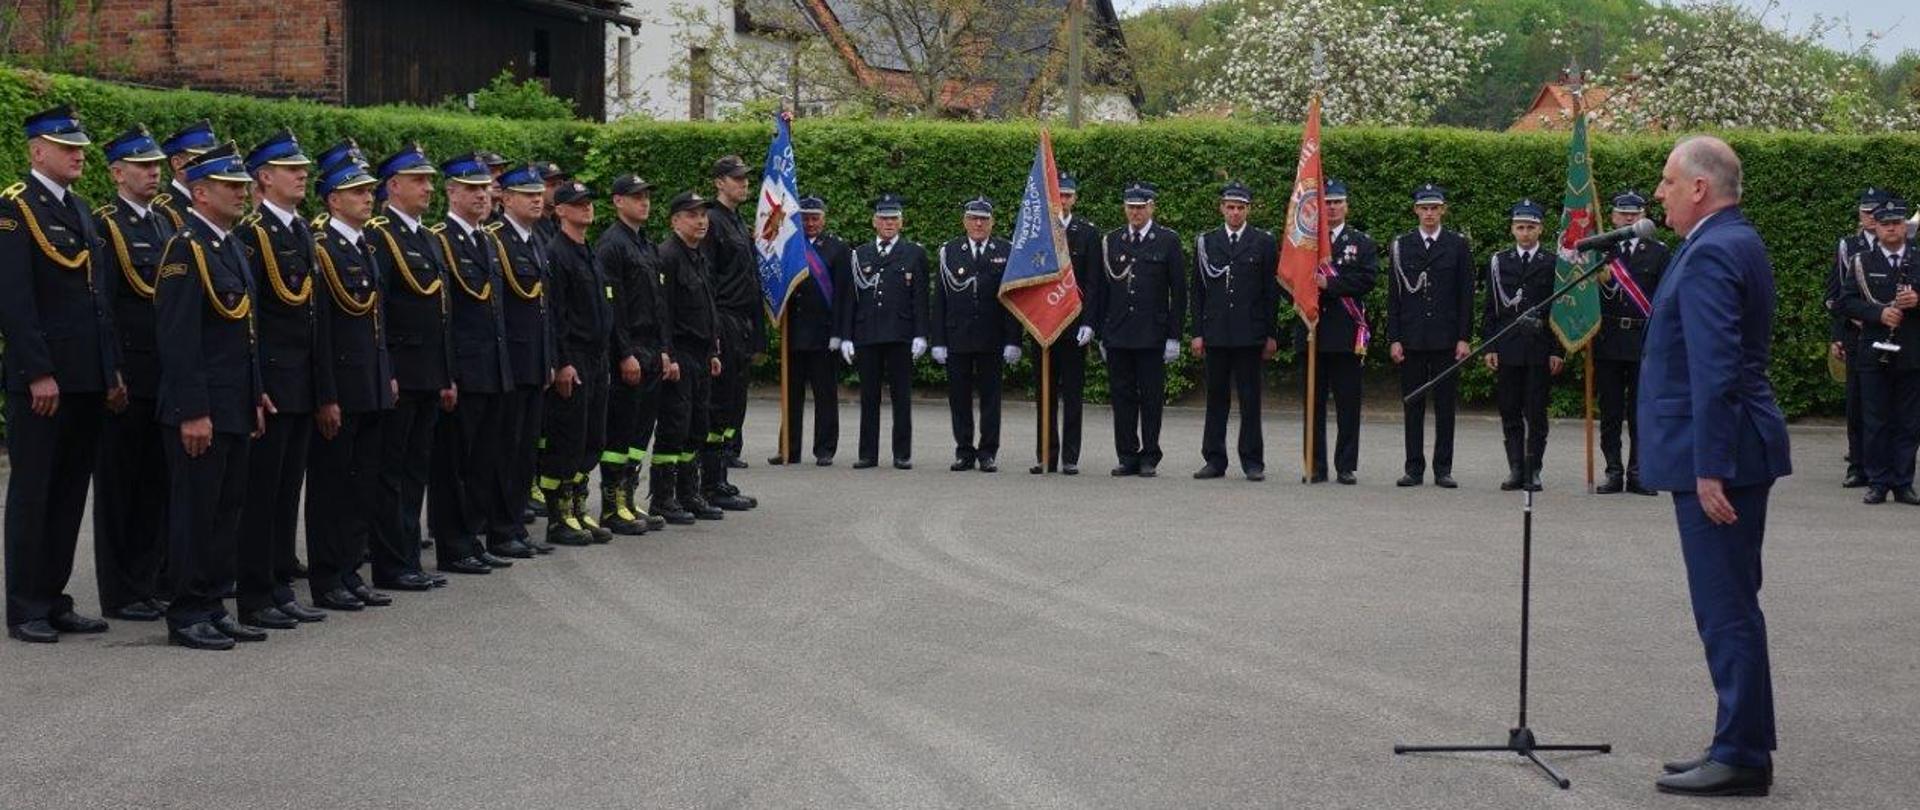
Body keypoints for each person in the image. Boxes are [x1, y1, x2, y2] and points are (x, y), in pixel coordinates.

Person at [1642, 135, 1792, 797]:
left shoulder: (1711, 253)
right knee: (1734, 605)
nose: (1659, 194)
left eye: (1668, 182)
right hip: (1737, 446)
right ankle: (1741, 740)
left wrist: (1711, 468)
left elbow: (1716, 369)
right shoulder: (1734, 240)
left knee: (1726, 608)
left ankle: (1742, 754)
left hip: (1723, 456)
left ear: (1699, 188)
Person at [1, 105, 123, 644]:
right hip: (45, 382)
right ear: (37, 152)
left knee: (71, 492)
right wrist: (37, 372)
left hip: (87, 377)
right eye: (66, 146)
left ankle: (54, 597)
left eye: (80, 147)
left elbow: (99, 302)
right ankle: (25, 603)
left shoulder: (79, 210)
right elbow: (14, 300)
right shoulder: (14, 209)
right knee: (34, 491)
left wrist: (110, 369)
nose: (78, 154)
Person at [152, 142, 267, 650]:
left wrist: (255, 395)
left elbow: (245, 334)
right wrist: (193, 410)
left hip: (234, 404)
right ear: (199, 192)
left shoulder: (232, 247)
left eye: (243, 184)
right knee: (196, 513)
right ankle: (187, 612)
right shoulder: (186, 249)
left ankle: (215, 603)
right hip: (200, 410)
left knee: (227, 511)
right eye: (230, 185)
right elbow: (178, 339)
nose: (241, 192)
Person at [232, 130, 330, 628]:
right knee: (261, 495)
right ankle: (253, 594)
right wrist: (255, 384)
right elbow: (249, 318)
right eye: (292, 169)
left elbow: (312, 317)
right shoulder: (252, 233)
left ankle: (278, 585)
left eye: (303, 168)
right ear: (264, 178)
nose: (302, 175)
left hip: (300, 383)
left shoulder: (298, 232)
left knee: (286, 491)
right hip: (271, 382)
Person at [90, 125, 175, 623]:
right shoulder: (107, 225)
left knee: (153, 484)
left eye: (157, 165)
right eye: (142, 166)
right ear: (117, 172)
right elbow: (102, 304)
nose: (153, 172)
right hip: (128, 373)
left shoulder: (164, 224)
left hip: (162, 374)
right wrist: (111, 371)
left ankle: (146, 582)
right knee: (120, 487)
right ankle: (119, 591)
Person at [307, 154, 399, 612]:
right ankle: (327, 577)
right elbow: (321, 330)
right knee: (332, 489)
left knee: (362, 485)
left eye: (369, 191)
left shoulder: (363, 245)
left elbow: (375, 320)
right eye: (359, 192)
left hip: (370, 382)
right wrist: (326, 395)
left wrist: (386, 375)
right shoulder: (322, 246)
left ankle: (349, 571)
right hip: (342, 385)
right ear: (333, 199)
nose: (369, 198)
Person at [364, 144, 459, 586]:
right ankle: (390, 564)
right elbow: (377, 309)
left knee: (414, 471)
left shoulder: (425, 236)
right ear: (393, 186)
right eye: (418, 180)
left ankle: (408, 558)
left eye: (429, 180)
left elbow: (439, 310)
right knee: (391, 473)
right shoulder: (380, 235)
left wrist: (444, 372)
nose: (428, 188)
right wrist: (389, 371)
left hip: (427, 372)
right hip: (401, 371)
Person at [427, 153, 519, 575]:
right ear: (451, 192)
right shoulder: (441, 238)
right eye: (472, 189)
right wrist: (448, 372)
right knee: (455, 466)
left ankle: (473, 536)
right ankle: (453, 543)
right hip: (465, 370)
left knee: (483, 460)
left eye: (485, 189)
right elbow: (444, 315)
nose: (482, 196)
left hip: (493, 367)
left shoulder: (484, 239)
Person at [536, 180, 617, 546]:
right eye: (578, 204)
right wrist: (563, 362)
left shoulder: (588, 252)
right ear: (560, 211)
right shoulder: (557, 253)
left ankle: (579, 508)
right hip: (575, 359)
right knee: (566, 440)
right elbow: (555, 315)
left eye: (589, 203)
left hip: (597, 359)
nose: (587, 208)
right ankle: (559, 516)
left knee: (591, 439)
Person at [1092, 182, 1186, 478]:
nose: (1135, 212)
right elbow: (1101, 292)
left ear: (1151, 208)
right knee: (1122, 398)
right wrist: (1101, 333)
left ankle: (1149, 456)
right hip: (1118, 333)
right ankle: (1127, 455)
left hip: (1151, 335)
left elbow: (1179, 292)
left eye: (1141, 207)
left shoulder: (1168, 241)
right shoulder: (1112, 240)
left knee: (1151, 398)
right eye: (1131, 207)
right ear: (1125, 208)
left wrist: (1173, 336)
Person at [594, 174, 670, 532]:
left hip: (652, 349)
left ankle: (628, 496)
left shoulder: (645, 245)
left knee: (641, 431)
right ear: (618, 201)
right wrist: (624, 353)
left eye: (646, 196)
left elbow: (659, 303)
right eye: (636, 197)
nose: (644, 202)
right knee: (621, 430)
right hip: (630, 349)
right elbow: (613, 308)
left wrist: (665, 351)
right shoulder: (612, 245)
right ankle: (611, 504)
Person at [1386, 183, 1473, 489]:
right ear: (1416, 211)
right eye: (1424, 208)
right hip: (1411, 338)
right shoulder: (1402, 245)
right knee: (1413, 405)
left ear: (1443, 210)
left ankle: (1443, 468)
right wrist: (1394, 338)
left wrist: (1464, 337)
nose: (1429, 214)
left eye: (1435, 208)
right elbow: (1394, 296)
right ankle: (1413, 468)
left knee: (1446, 406)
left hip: (1446, 338)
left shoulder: (1457, 245)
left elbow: (1465, 296)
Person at [1190, 181, 1278, 481]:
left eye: (1241, 207)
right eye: (1230, 207)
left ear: (1248, 210)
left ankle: (1252, 461)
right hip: (1216, 333)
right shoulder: (1207, 242)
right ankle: (1214, 459)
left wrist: (1270, 334)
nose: (1235, 212)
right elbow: (1198, 292)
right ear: (1222, 208)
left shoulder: (1263, 242)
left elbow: (1270, 292)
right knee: (1216, 399)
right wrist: (1198, 332)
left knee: (1250, 400)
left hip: (1249, 334)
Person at [1836, 198, 1920, 505]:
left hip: (1911, 352)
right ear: (1878, 228)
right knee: (1875, 419)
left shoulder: (1918, 258)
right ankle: (1878, 481)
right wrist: (1877, 314)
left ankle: (1903, 482)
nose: (1892, 229)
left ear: (1904, 228)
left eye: (1897, 224)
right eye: (1886, 224)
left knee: (1908, 421)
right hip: (1873, 351)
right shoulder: (1861, 262)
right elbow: (1845, 302)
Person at [836, 193, 929, 470]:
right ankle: (868, 454)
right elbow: (849, 298)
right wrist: (846, 336)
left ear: (901, 222)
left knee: (901, 397)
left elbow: (920, 298)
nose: (888, 223)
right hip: (867, 334)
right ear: (875, 221)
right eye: (884, 218)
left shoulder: (914, 253)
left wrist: (921, 334)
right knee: (869, 397)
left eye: (894, 219)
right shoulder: (860, 254)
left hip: (900, 334)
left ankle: (902, 453)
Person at [495, 164, 558, 562]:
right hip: (510, 363)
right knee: (505, 450)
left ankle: (516, 524)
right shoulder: (497, 240)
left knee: (524, 453)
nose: (537, 198)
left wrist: (548, 359)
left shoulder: (534, 240)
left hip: (534, 362)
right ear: (506, 199)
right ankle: (501, 529)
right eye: (527, 193)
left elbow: (542, 308)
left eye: (539, 193)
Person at [933, 196, 1021, 473]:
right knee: (958, 398)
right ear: (965, 222)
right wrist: (938, 340)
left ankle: (988, 452)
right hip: (957, 336)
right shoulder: (949, 252)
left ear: (992, 222)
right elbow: (940, 301)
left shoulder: (1005, 251)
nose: (978, 223)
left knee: (991, 399)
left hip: (992, 337)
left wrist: (1013, 339)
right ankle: (964, 451)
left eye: (983, 219)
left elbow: (1013, 300)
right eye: (973, 218)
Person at [652, 191, 725, 522]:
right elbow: (662, 312)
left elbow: (706, 306)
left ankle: (688, 492)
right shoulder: (667, 255)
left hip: (699, 353)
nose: (701, 221)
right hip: (680, 352)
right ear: (675, 221)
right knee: (674, 426)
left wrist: (712, 348)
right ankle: (663, 498)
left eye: (703, 215)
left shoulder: (699, 256)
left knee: (697, 425)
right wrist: (667, 354)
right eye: (692, 215)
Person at [1483, 200, 1565, 492]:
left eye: (1531, 227)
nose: (1525, 233)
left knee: (1536, 412)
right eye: (1520, 227)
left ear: (1540, 228)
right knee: (1509, 410)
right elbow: (1491, 307)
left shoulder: (1552, 262)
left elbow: (1559, 310)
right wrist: (1489, 346)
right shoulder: (1499, 261)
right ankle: (1516, 467)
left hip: (1540, 347)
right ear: (1512, 229)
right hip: (1508, 346)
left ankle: (1534, 468)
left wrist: (1558, 349)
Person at [1298, 178, 1375, 485]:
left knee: (1347, 404)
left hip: (1345, 335)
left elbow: (1366, 280)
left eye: (1337, 202)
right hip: (1312, 333)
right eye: (1327, 202)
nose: (1331, 207)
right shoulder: (1306, 243)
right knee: (1312, 406)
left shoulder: (1361, 242)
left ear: (1346, 206)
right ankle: (1315, 466)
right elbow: (1290, 280)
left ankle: (1345, 466)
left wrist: (1330, 284)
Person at [1593, 190, 1668, 495]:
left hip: (1643, 340)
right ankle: (1613, 471)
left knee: (1641, 411)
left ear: (1644, 217)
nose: (1628, 218)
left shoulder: (1659, 252)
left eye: (1634, 214)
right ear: (1612, 217)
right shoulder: (1601, 252)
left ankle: (1639, 472)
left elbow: (1664, 299)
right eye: (1623, 213)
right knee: (1610, 411)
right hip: (1609, 339)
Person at [772, 193, 851, 466]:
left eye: (815, 217)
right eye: (805, 218)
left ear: (824, 218)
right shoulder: (789, 246)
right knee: (791, 396)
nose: (810, 223)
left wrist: (839, 334)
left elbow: (844, 295)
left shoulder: (838, 249)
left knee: (825, 396)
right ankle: (789, 449)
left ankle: (825, 449)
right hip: (794, 334)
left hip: (824, 335)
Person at [702, 155, 762, 506]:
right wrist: (714, 332)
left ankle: (720, 476)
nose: (743, 184)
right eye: (736, 179)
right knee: (719, 403)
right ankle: (708, 482)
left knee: (733, 405)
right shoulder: (712, 221)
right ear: (719, 182)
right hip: (723, 318)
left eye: (745, 179)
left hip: (741, 320)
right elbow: (706, 280)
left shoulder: (737, 222)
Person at [1031, 172, 1100, 475]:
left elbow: (1095, 283)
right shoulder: (1037, 233)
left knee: (1072, 394)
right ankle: (1046, 455)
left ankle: (1070, 457)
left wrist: (1090, 323)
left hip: (1074, 326)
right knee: (1044, 394)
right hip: (1044, 325)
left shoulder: (1088, 233)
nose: (1063, 201)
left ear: (1075, 198)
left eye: (1068, 196)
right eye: (1058, 195)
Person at [1826, 188, 1886, 489]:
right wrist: (1839, 332)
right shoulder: (1848, 246)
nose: (1870, 217)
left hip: (1891, 332)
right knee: (1857, 402)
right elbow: (1834, 295)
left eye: (1875, 211)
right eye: (1865, 211)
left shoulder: (1902, 245)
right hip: (1856, 333)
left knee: (1891, 402)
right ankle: (1858, 465)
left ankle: (1888, 466)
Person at [151, 119, 218, 230]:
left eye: (211, 160)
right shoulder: (163, 210)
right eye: (200, 160)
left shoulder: (215, 205)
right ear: (178, 164)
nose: (209, 167)